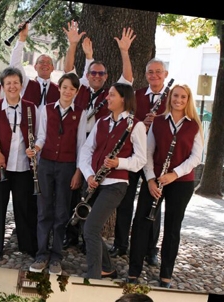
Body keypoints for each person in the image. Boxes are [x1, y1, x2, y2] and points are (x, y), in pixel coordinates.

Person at [62, 21, 134, 250]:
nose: (96, 76)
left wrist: (124, 51)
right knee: (73, 191)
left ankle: (87, 238)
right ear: (89, 74)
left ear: (105, 76)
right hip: (77, 145)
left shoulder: (112, 94)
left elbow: (128, 80)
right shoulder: (79, 87)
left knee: (92, 196)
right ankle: (70, 234)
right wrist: (73, 45)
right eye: (93, 72)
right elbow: (68, 70)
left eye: (101, 73)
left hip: (100, 149)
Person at [126, 84, 202, 288]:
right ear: (170, 98)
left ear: (188, 100)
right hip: (155, 180)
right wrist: (150, 179)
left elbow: (196, 157)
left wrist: (174, 174)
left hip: (181, 182)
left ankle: (166, 274)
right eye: (175, 96)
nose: (178, 99)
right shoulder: (158, 122)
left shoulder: (194, 124)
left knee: (172, 228)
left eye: (183, 97)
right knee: (141, 223)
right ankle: (133, 271)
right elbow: (148, 152)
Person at [77, 82, 146, 279]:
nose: (107, 98)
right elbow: (87, 149)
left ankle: (93, 278)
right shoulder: (101, 122)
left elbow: (141, 160)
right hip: (95, 181)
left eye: (112, 95)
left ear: (123, 98)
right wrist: (89, 174)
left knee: (91, 227)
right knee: (86, 224)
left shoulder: (136, 125)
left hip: (115, 184)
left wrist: (118, 162)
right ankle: (106, 268)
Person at [0, 67, 39, 261]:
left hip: (22, 167)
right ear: (3, 87)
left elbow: (39, 134)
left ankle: (27, 245)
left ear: (21, 85)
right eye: (8, 83)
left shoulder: (32, 108)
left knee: (24, 207)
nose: (12, 86)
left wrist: (35, 148)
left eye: (16, 82)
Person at [28, 73, 84, 275]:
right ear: (59, 88)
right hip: (46, 164)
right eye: (65, 87)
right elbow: (41, 135)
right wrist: (36, 148)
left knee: (61, 212)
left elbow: (80, 144)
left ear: (76, 92)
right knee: (44, 211)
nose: (68, 91)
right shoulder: (46, 109)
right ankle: (41, 254)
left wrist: (78, 171)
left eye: (72, 89)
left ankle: (56, 256)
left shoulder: (81, 113)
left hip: (67, 166)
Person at [116, 56, 168, 263]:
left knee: (152, 206)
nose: (154, 75)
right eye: (150, 72)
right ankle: (120, 245)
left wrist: (159, 122)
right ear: (145, 75)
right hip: (133, 156)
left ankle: (150, 249)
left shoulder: (173, 96)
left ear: (165, 75)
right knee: (124, 201)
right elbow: (126, 121)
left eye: (158, 72)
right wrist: (141, 124)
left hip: (157, 161)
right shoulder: (136, 95)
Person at [10, 24, 59, 107]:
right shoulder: (26, 83)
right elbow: (15, 65)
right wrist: (22, 39)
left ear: (53, 68)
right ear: (35, 67)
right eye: (41, 62)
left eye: (48, 63)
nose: (45, 65)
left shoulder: (59, 89)